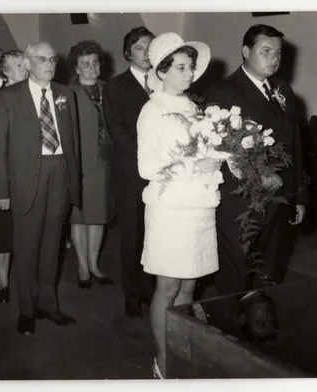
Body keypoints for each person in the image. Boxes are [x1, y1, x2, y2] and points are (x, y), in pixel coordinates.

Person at [204, 24, 308, 295]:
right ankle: (228, 329)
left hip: (279, 198)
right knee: (236, 269)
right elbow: (222, 151)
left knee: (270, 268)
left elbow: (294, 145)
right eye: (266, 51)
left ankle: (261, 325)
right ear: (246, 51)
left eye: (278, 52)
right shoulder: (223, 92)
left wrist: (298, 196)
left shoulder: (283, 90)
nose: (274, 57)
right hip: (241, 201)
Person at [137, 32, 218, 379]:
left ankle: (182, 346)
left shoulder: (192, 107)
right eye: (182, 67)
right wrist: (194, 167)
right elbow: (146, 167)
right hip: (170, 210)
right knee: (168, 287)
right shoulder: (152, 110)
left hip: (197, 207)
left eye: (191, 67)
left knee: (189, 286)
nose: (190, 73)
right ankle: (163, 358)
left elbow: (203, 152)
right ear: (163, 71)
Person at [0, 41, 81, 335]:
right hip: (27, 178)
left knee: (52, 244)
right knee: (26, 247)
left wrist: (73, 183)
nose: (50, 65)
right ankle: (26, 309)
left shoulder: (66, 94)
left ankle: (48, 305)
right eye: (43, 59)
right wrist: (1, 191)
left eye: (53, 59)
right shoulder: (8, 97)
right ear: (27, 63)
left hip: (59, 175)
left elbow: (72, 142)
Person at [102, 26, 156, 318]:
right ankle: (132, 296)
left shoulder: (163, 82)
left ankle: (150, 290)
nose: (146, 53)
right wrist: (151, 155)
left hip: (162, 173)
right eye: (139, 48)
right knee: (132, 235)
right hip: (131, 171)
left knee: (155, 233)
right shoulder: (115, 86)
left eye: (150, 47)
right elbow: (118, 131)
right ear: (127, 53)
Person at [67, 40, 114, 289]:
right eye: (85, 64)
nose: (91, 68)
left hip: (104, 161)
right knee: (79, 217)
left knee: (98, 216)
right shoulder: (67, 93)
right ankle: (82, 266)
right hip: (79, 162)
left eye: (95, 62)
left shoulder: (109, 89)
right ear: (76, 68)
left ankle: (94, 264)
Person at [0, 50, 29, 303]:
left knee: (25, 229)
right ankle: (2, 281)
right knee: (3, 229)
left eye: (25, 64)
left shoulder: (33, 95)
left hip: (27, 173)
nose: (24, 68)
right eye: (18, 65)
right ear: (5, 71)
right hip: (4, 170)